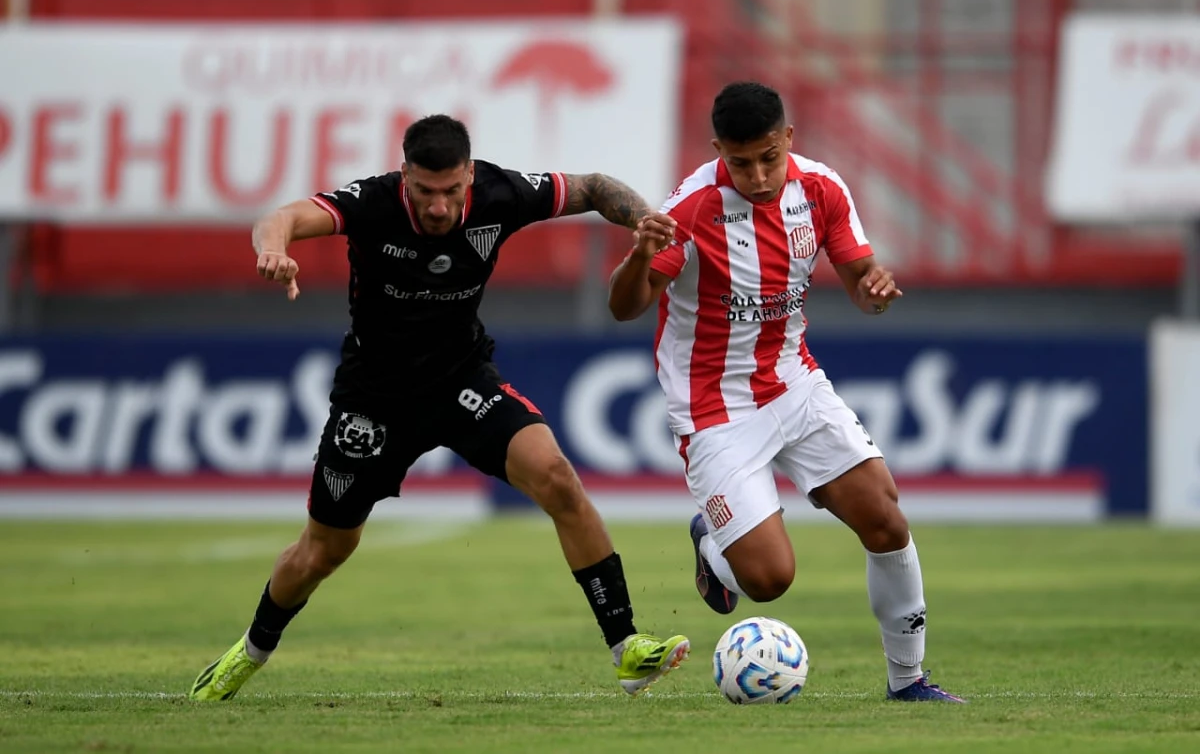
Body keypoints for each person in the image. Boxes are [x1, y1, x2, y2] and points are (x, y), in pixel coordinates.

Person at [189, 114, 689, 701]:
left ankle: (626, 647)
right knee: (325, 549)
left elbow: (596, 187)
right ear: (405, 177)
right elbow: (284, 218)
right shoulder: (373, 202)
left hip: (460, 382)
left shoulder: (502, 194)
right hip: (373, 399)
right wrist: (274, 251)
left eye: (452, 192)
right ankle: (249, 652)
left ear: (469, 177)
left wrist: (644, 219)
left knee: (557, 479)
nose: (439, 207)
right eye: (425, 193)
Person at [607, 82, 963, 703]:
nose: (759, 175)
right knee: (770, 580)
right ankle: (714, 544)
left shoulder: (822, 189)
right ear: (719, 149)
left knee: (885, 518)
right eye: (741, 162)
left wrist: (872, 289)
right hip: (713, 407)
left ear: (788, 139)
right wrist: (639, 258)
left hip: (793, 381)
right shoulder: (690, 210)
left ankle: (908, 683)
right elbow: (625, 307)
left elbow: (859, 280)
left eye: (769, 157)